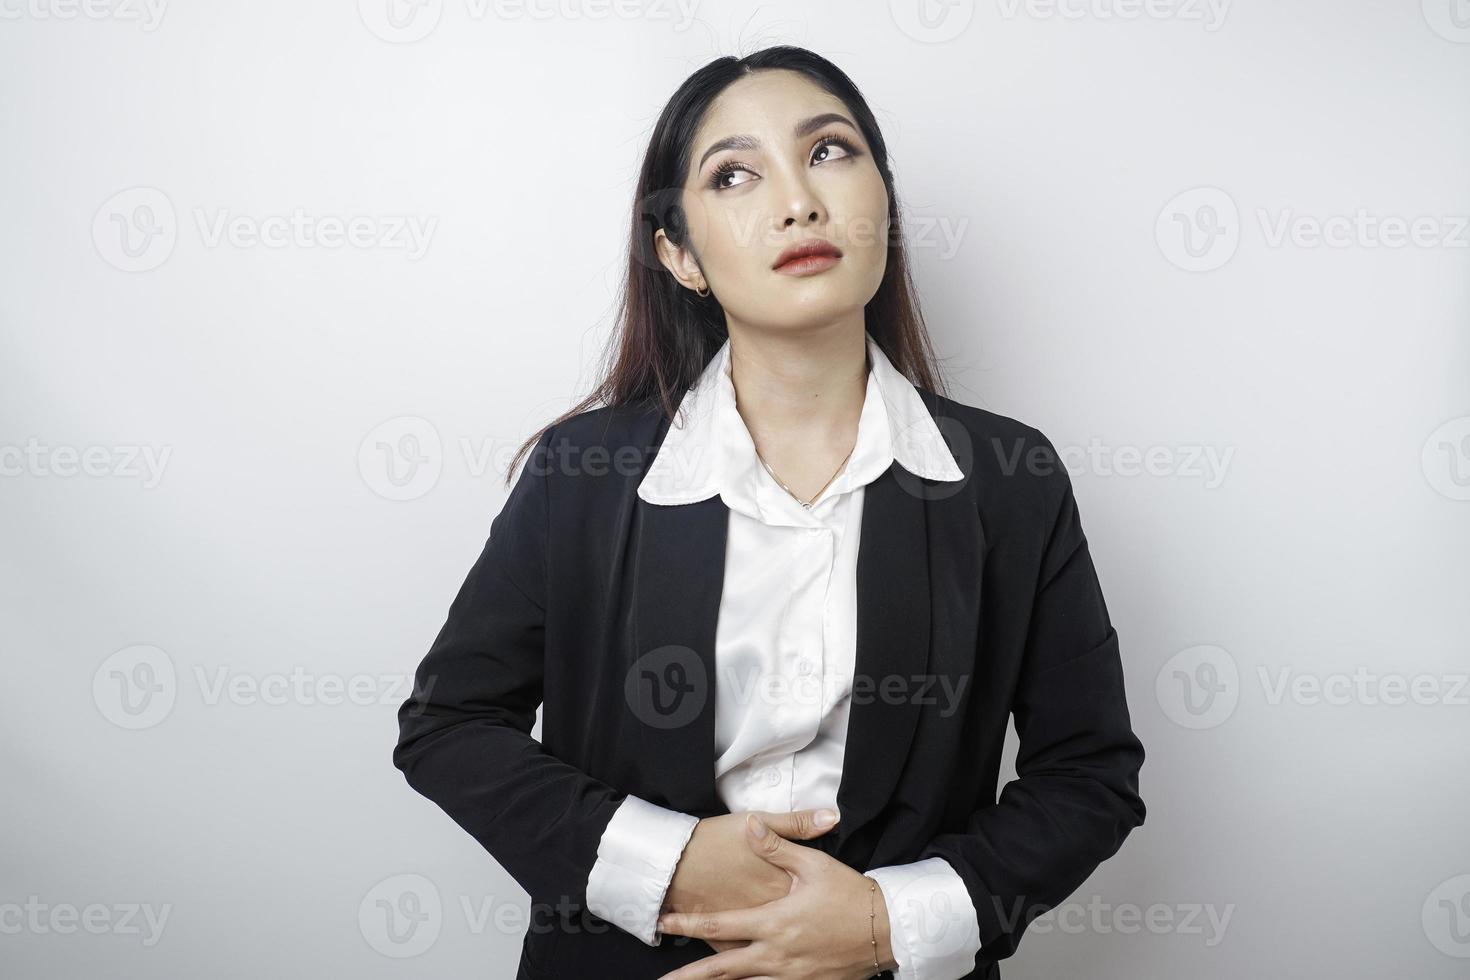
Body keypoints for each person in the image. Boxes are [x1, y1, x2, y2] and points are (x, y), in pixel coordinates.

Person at [393, 44, 1146, 980]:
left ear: (884, 203)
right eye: (736, 174)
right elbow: (450, 726)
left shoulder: (1011, 478)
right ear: (680, 254)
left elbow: (1089, 778)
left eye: (830, 152)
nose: (798, 201)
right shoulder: (583, 472)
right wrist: (662, 862)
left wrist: (888, 922)